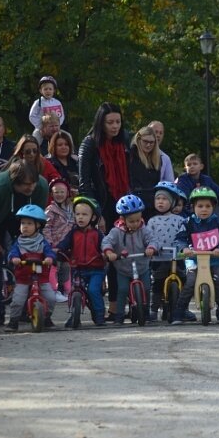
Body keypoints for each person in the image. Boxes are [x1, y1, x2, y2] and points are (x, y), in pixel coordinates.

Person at [0, 159, 49, 327]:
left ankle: (27, 308)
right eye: (26, 185)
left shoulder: (41, 186)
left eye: (33, 183)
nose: (30, 187)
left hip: (25, 217)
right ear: (14, 182)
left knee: (31, 256)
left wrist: (35, 242)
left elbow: (38, 217)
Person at [79, 102, 131, 321]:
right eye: (110, 122)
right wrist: (95, 213)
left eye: (118, 122)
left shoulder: (125, 141)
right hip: (101, 204)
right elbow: (84, 182)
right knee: (104, 255)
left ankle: (117, 308)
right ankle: (102, 306)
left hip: (123, 204)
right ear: (101, 122)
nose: (115, 126)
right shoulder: (89, 144)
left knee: (123, 254)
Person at [172, 187, 219, 325]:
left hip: (213, 260)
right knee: (190, 282)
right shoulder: (188, 222)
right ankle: (179, 312)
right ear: (193, 207)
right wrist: (185, 248)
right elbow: (180, 238)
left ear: (213, 207)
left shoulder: (218, 222)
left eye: (208, 206)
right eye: (200, 206)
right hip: (194, 259)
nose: (204, 209)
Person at [102, 195, 157, 324]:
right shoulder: (116, 232)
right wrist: (109, 252)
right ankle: (119, 315)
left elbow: (152, 239)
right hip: (123, 268)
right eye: (132, 221)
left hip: (142, 266)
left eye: (138, 220)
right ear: (122, 219)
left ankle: (146, 312)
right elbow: (107, 241)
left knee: (147, 288)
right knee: (122, 289)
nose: (136, 223)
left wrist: (151, 247)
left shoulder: (144, 229)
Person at [146, 181, 195, 322]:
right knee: (157, 285)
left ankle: (183, 309)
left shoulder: (181, 220)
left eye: (164, 199)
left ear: (173, 202)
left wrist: (185, 248)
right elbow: (149, 237)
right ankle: (153, 310)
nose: (160, 202)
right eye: (158, 199)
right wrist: (152, 247)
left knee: (183, 283)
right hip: (159, 258)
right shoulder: (152, 221)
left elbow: (184, 237)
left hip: (177, 257)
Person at [4, 204, 57, 332]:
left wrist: (50, 258)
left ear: (38, 225)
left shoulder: (42, 242)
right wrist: (14, 259)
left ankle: (47, 316)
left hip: (41, 276)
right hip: (23, 276)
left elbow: (50, 252)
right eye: (23, 223)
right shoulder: (19, 242)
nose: (25, 227)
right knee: (18, 299)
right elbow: (13, 253)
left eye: (29, 223)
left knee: (50, 297)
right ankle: (13, 321)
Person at [56, 196, 107, 327]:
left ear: (93, 218)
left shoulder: (97, 234)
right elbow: (64, 244)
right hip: (77, 269)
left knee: (93, 291)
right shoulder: (73, 233)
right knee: (75, 291)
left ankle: (100, 315)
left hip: (96, 269)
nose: (80, 217)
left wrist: (107, 252)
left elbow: (106, 245)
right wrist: (58, 250)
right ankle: (74, 315)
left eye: (84, 214)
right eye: (77, 214)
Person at [44, 178, 74, 302]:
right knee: (54, 267)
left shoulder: (72, 209)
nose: (59, 195)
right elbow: (46, 228)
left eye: (62, 192)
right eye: (56, 192)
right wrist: (50, 244)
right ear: (51, 193)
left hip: (68, 246)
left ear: (67, 193)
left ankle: (68, 291)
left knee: (67, 268)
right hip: (55, 246)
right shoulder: (51, 210)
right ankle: (54, 290)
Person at [128, 126, 162, 219]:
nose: (148, 145)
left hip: (152, 204)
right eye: (145, 141)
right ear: (138, 140)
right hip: (134, 202)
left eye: (151, 142)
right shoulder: (130, 156)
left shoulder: (157, 159)